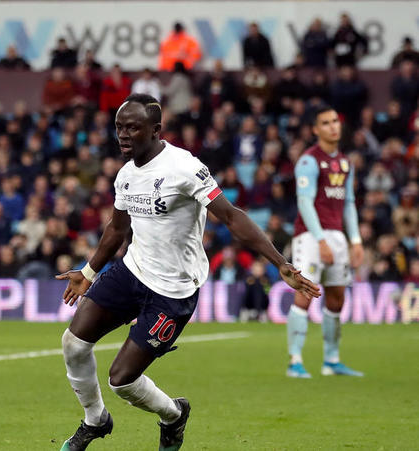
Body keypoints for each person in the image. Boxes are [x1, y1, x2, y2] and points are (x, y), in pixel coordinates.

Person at [55, 94, 319, 451]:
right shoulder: (126, 175)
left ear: (156, 130)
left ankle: (174, 415)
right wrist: (88, 272)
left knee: (122, 381)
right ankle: (95, 420)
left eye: (133, 127)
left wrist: (279, 262)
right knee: (73, 344)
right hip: (132, 271)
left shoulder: (183, 166)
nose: (124, 135)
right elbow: (117, 230)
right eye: (119, 127)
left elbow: (231, 216)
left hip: (173, 291)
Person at [286, 106, 365, 379]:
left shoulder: (345, 163)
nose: (333, 126)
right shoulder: (308, 161)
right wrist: (320, 240)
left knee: (336, 298)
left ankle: (331, 360)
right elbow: (304, 202)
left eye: (335, 121)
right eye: (326, 123)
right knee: (305, 293)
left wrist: (355, 240)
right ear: (316, 129)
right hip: (310, 235)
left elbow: (350, 203)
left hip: (337, 235)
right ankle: (295, 361)